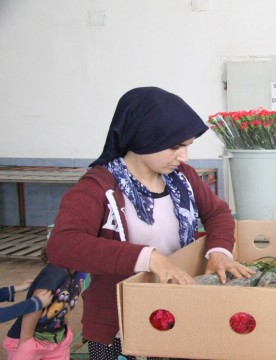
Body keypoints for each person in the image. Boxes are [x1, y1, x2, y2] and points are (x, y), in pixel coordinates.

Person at [46, 86, 253, 360]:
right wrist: (149, 258)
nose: (184, 157)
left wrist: (219, 252)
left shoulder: (183, 179)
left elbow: (218, 214)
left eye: (187, 146)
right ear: (144, 136)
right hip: (119, 325)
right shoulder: (98, 188)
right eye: (175, 146)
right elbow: (63, 245)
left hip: (177, 312)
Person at [2, 248, 82, 359]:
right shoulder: (55, 273)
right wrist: (35, 303)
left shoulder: (74, 275)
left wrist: (15, 289)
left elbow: (64, 306)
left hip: (55, 341)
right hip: (30, 342)